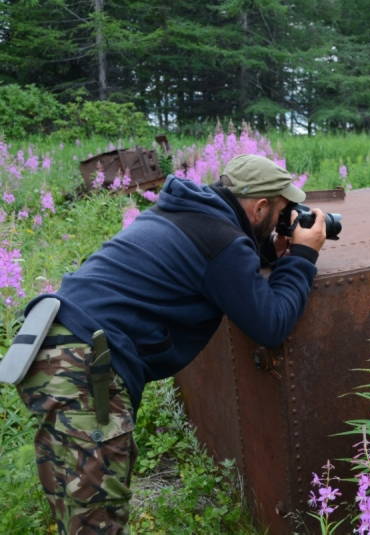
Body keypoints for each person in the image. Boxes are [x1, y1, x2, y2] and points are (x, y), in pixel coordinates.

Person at [14, 154, 326, 534]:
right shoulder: (222, 241)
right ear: (260, 207)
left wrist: (268, 252)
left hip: (50, 343)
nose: (284, 221)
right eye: (281, 211)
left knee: (75, 507)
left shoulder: (181, 212)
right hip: (82, 362)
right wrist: (304, 257)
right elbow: (271, 324)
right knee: (94, 523)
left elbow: (217, 263)